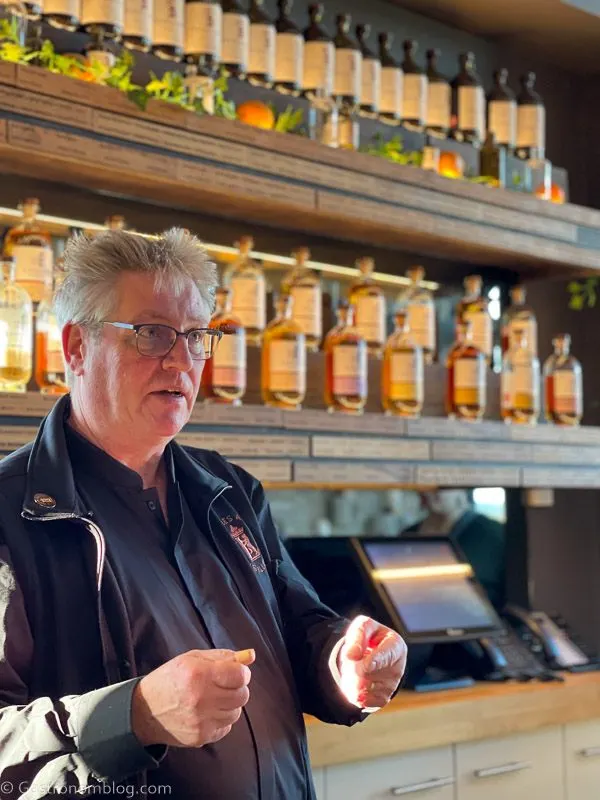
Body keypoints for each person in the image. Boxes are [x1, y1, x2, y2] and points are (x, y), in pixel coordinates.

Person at [0, 229, 406, 800]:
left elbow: (303, 632)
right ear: (76, 348)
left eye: (194, 336)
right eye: (152, 334)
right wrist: (132, 716)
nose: (180, 360)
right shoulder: (11, 511)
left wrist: (345, 663)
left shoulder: (230, 491)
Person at [413, 489, 506, 609]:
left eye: (443, 486)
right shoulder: (408, 535)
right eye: (429, 486)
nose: (434, 491)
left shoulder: (495, 534)